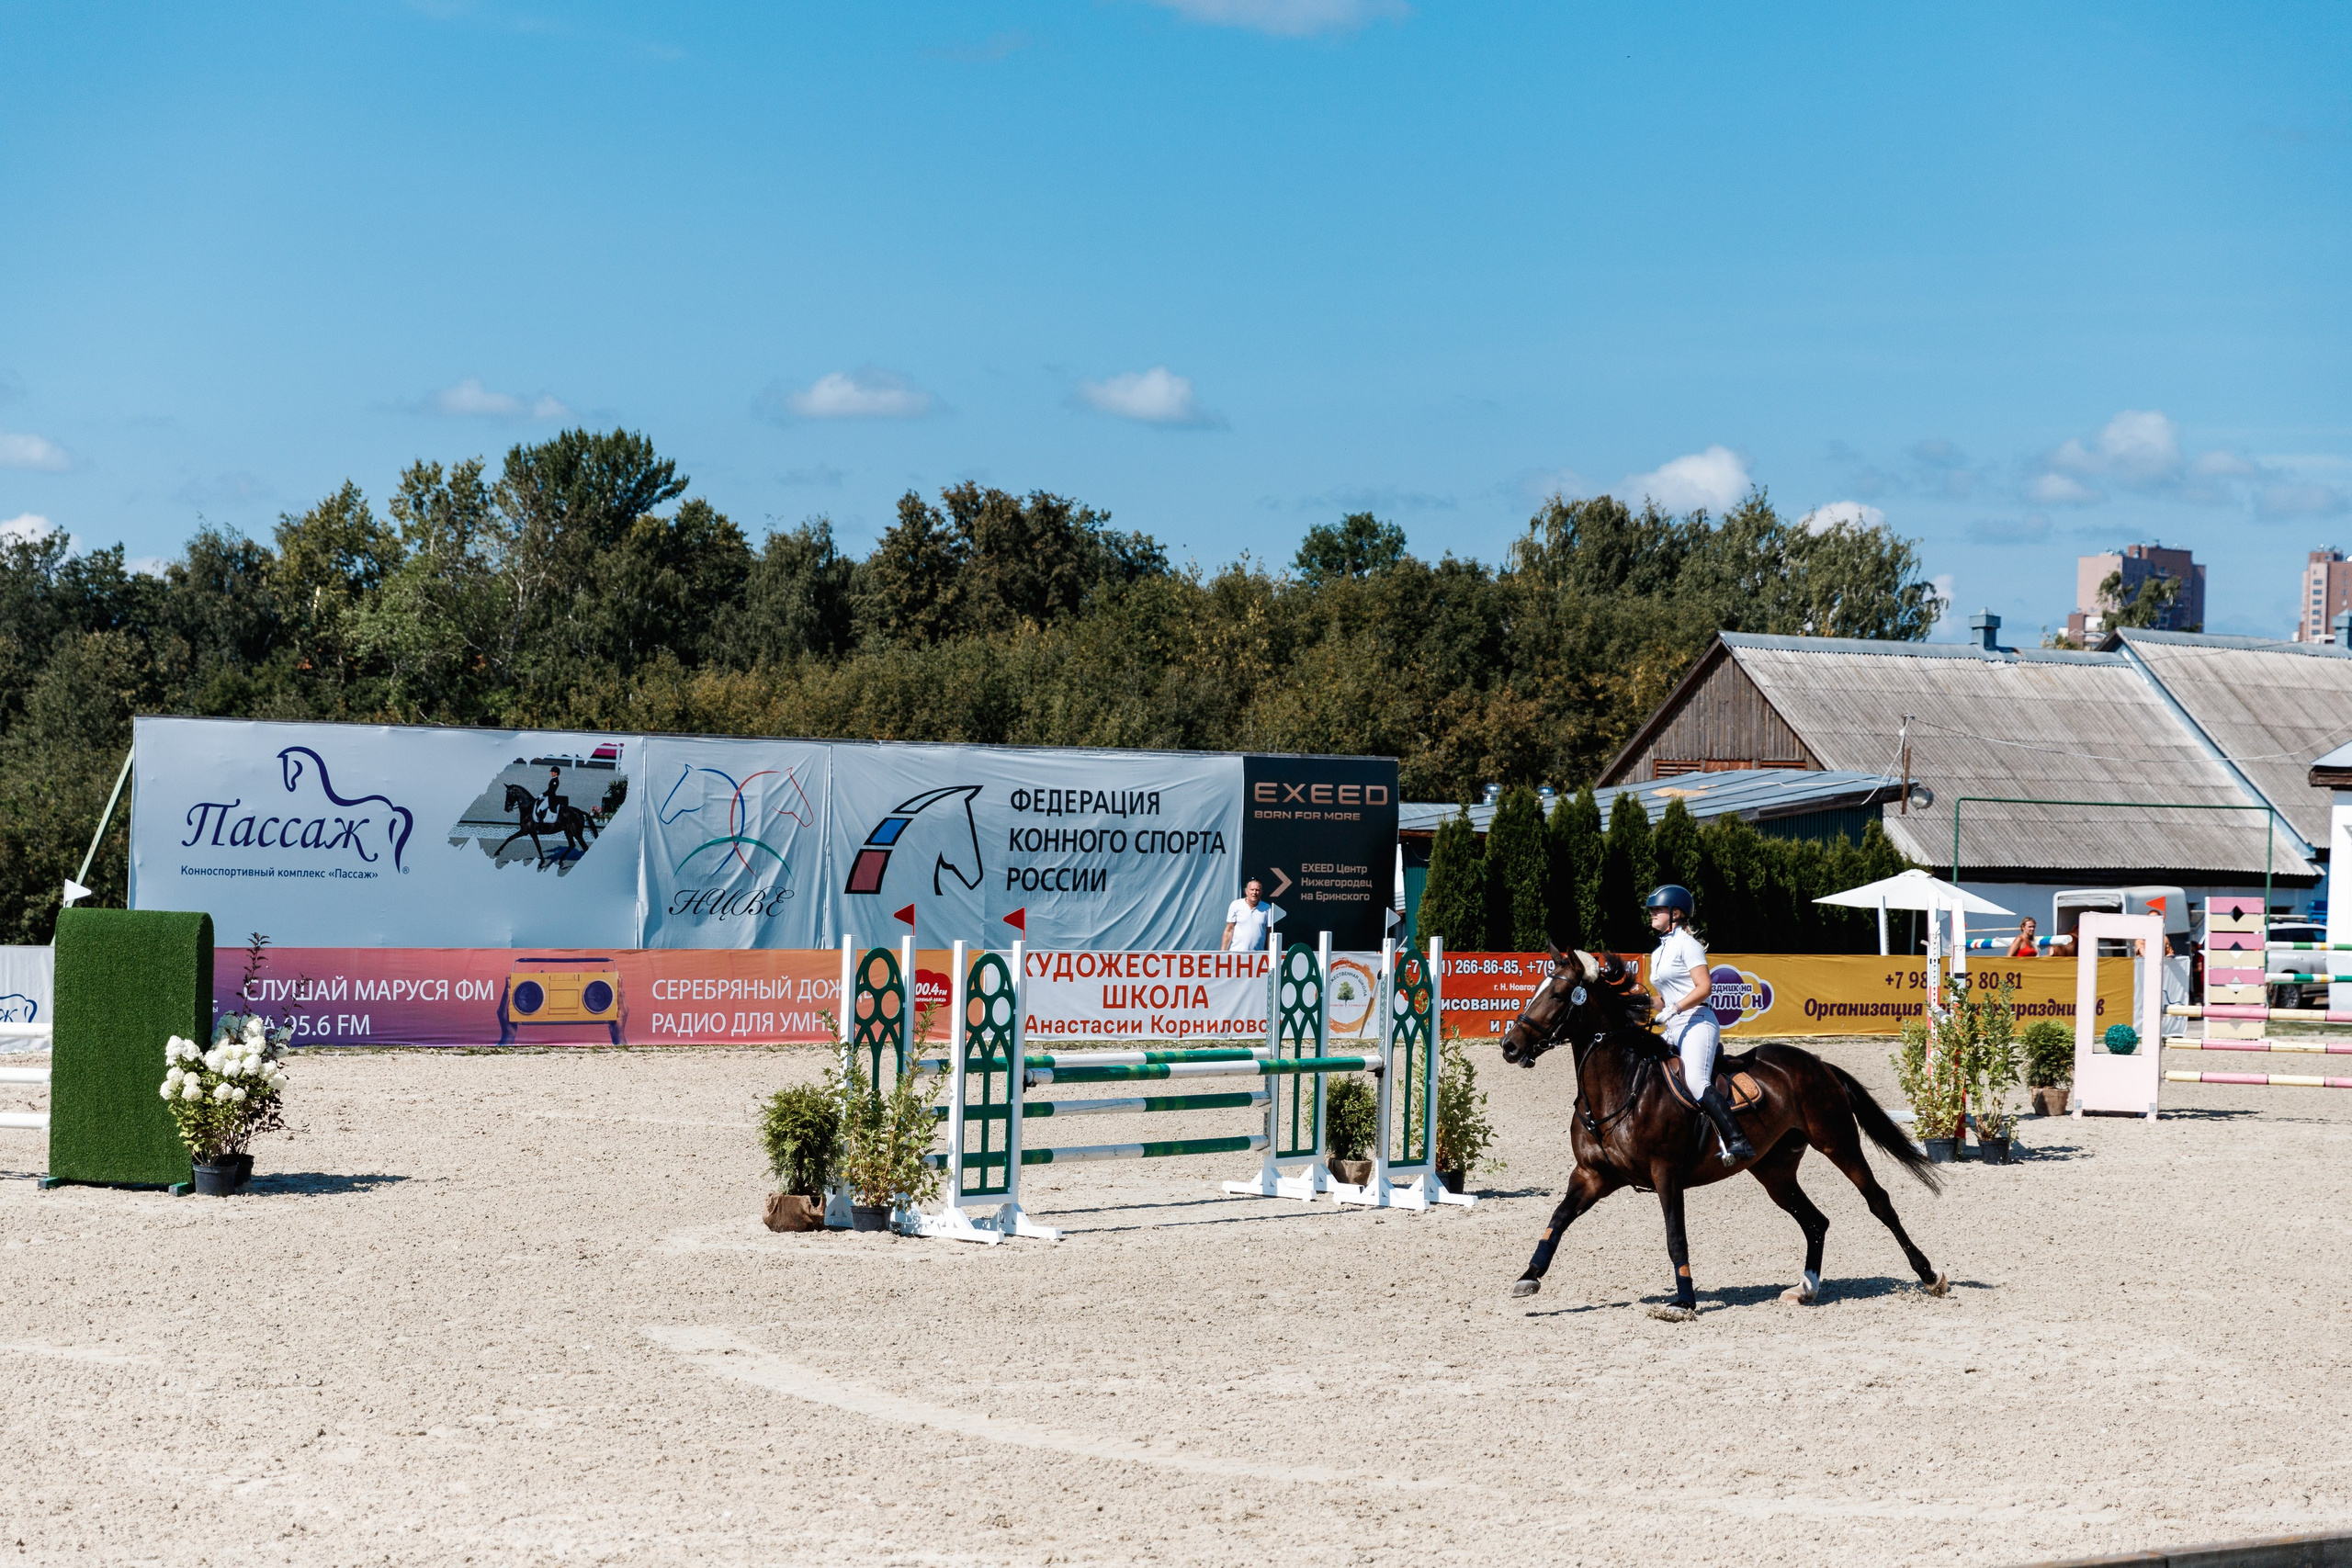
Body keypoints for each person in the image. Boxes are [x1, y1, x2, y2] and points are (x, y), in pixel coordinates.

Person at [1645, 885, 1756, 1163]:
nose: (1652, 913)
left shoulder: (1688, 945)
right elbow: (1664, 998)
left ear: (1676, 913)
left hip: (1697, 1021)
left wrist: (1674, 1008)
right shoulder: (1658, 952)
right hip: (1673, 1025)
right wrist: (1642, 1003)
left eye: (1657, 909)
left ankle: (1738, 1140)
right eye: (1652, 909)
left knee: (1695, 1081)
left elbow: (1704, 987)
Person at [1223, 878, 1283, 953]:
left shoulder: (1267, 908)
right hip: (1236, 953)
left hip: (1257, 955)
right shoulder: (1235, 905)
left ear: (1261, 892)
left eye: (1257, 890)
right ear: (1246, 891)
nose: (1254, 892)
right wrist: (1222, 953)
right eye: (1252, 890)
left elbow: (1269, 933)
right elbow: (1229, 930)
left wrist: (1269, 953)